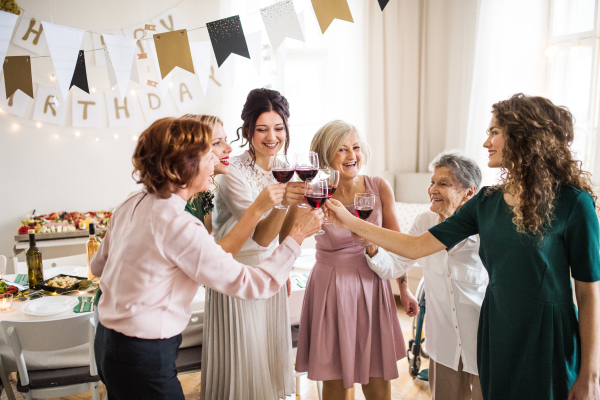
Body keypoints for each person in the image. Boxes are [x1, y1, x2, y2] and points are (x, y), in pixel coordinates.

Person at [325, 94, 600, 400]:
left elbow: (588, 293)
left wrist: (591, 373)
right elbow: (415, 246)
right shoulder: (487, 202)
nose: (486, 143)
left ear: (524, 136)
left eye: (494, 132)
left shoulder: (575, 203)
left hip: (548, 334)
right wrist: (350, 221)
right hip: (496, 331)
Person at [91, 117, 323, 400]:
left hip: (106, 344)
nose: (214, 160)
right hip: (144, 355)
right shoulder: (180, 225)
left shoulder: (133, 201)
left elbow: (97, 266)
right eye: (206, 155)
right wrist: (297, 237)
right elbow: (253, 284)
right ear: (185, 165)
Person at [286, 120, 414, 400]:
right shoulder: (313, 193)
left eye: (355, 148)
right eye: (341, 150)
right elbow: (288, 237)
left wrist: (403, 289)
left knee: (377, 381)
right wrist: (281, 271)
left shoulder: (379, 187)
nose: (351, 155)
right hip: (330, 290)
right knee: (335, 383)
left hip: (372, 287)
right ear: (324, 155)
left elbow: (398, 245)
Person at [201, 89, 306, 400]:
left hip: (270, 273)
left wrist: (299, 205)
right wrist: (283, 197)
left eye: (278, 128)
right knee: (244, 360)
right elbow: (260, 235)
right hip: (236, 273)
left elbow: (281, 234)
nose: (272, 136)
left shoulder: (283, 167)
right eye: (262, 129)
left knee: (266, 359)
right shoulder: (231, 172)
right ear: (247, 130)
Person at [364, 151, 486, 400]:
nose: (432, 189)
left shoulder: (487, 229)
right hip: (444, 348)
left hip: (485, 347)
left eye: (443, 183)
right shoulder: (424, 222)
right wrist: (371, 246)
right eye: (432, 182)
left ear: (469, 192)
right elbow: (395, 266)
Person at [181, 114, 286, 257]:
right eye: (217, 143)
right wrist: (258, 208)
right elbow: (207, 259)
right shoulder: (179, 206)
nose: (229, 148)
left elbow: (205, 244)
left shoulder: (201, 195)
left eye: (226, 140)